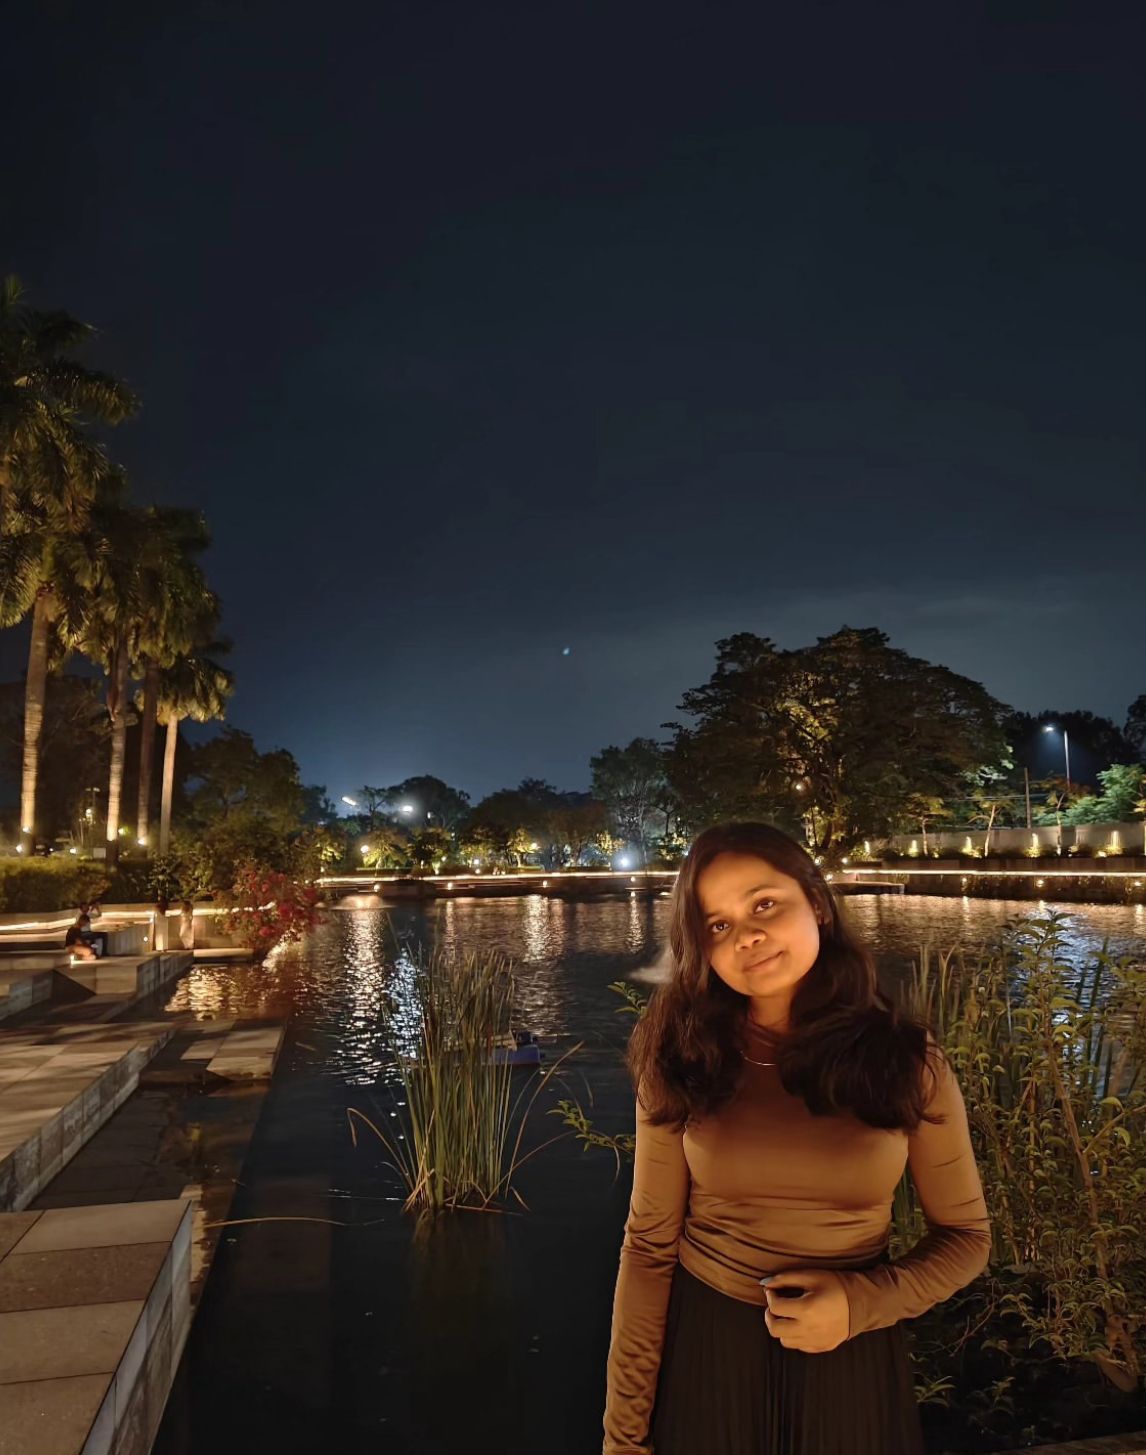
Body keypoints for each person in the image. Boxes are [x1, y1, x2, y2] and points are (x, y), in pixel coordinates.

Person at [602, 822, 992, 1455]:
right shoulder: (680, 1053)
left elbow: (968, 1238)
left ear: (815, 900)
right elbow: (648, 1248)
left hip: (850, 1361)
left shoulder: (905, 1060)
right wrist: (623, 1440)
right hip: (708, 1358)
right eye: (718, 926)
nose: (747, 935)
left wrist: (863, 1303)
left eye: (763, 904)